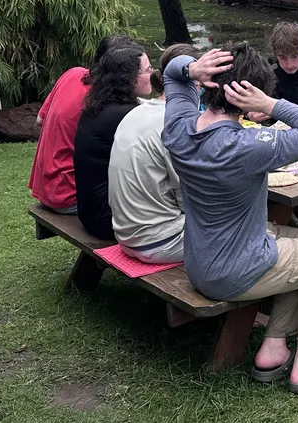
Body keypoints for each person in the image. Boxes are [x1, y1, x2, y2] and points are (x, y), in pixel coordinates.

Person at [162, 43, 298, 393]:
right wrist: (269, 106)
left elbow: (172, 71)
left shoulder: (179, 128)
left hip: (200, 260)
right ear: (248, 96)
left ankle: (273, 348)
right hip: (236, 269)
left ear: (208, 83)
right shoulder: (246, 147)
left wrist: (191, 69)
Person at [107, 42, 197, 263]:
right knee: (240, 225)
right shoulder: (175, 124)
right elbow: (188, 197)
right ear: (196, 83)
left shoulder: (138, 111)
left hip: (125, 233)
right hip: (161, 241)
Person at [29, 34, 138, 214]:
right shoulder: (103, 101)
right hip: (69, 196)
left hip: (44, 188)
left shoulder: (72, 74)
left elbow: (40, 120)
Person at [74, 44, 152, 239]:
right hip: (109, 219)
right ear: (129, 78)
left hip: (92, 211)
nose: (153, 74)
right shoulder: (127, 116)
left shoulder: (101, 105)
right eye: (148, 70)